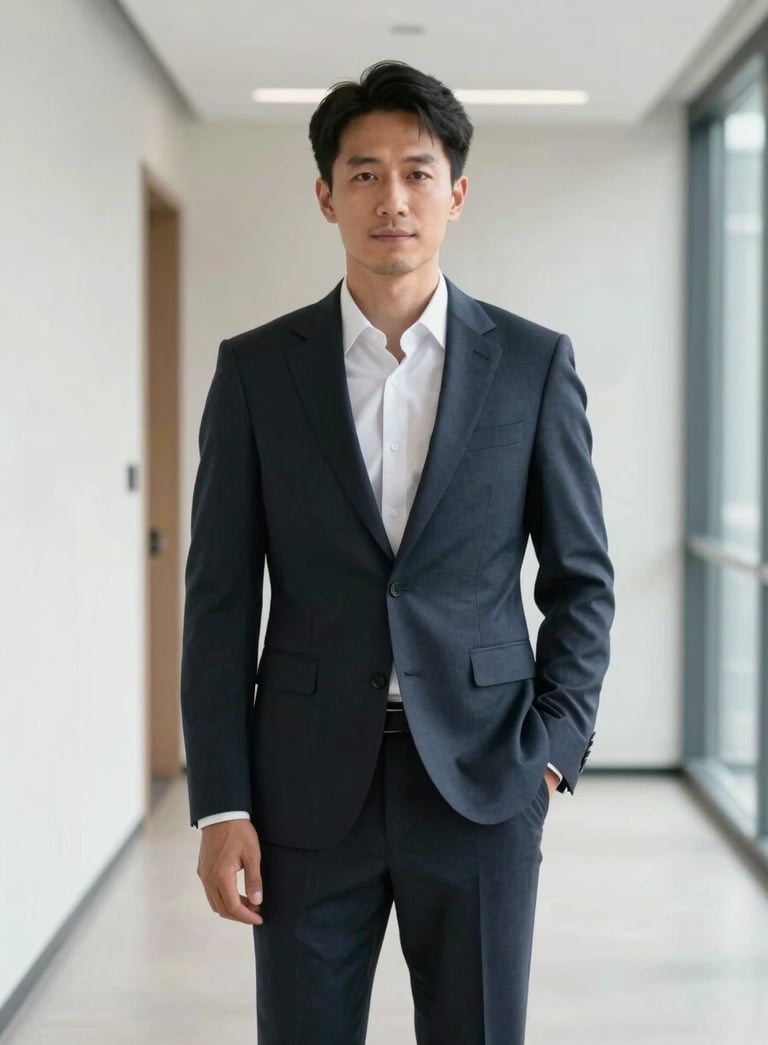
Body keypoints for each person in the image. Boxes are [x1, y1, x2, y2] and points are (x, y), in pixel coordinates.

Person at [180, 59, 615, 1045]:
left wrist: (551, 752)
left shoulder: (532, 364)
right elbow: (218, 601)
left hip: (481, 778)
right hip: (301, 786)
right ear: (325, 195)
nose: (394, 199)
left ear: (455, 194)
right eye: (365, 173)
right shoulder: (257, 371)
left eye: (418, 172)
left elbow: (582, 580)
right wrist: (221, 803)